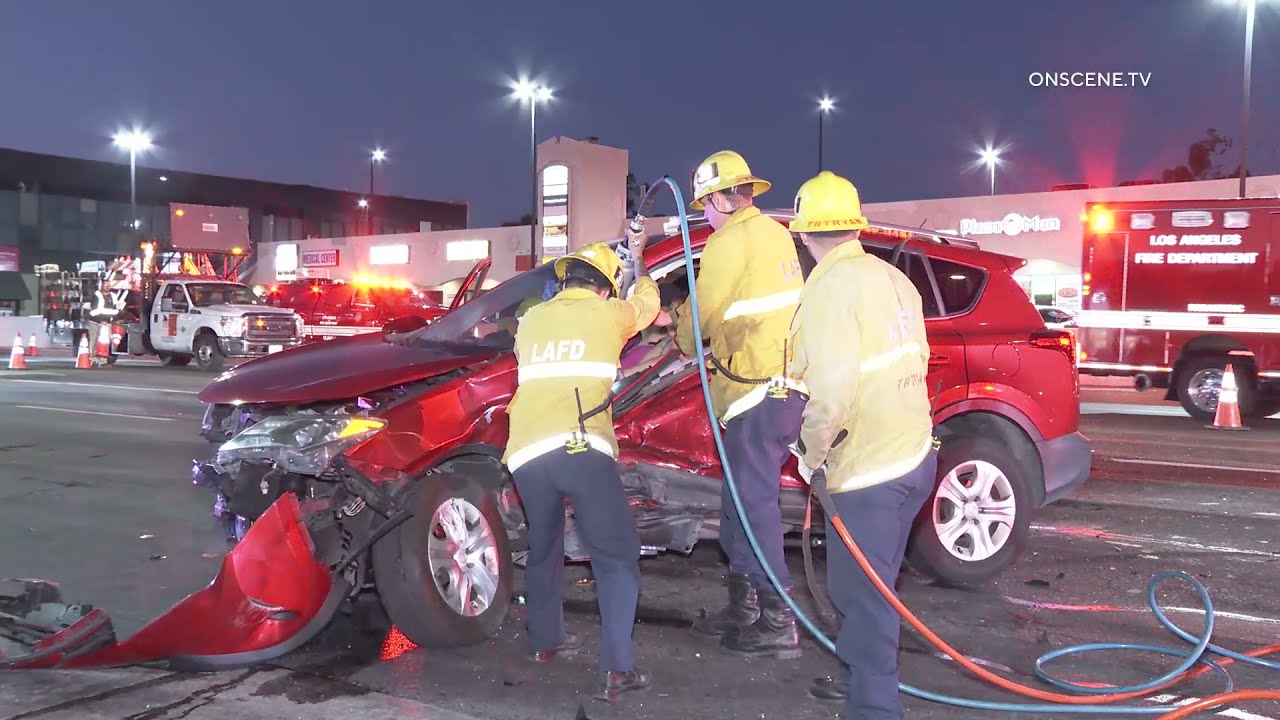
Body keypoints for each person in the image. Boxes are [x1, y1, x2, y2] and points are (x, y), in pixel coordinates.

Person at [787, 171, 937, 720]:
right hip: (915, 455)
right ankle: (856, 678)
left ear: (805, 236)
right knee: (877, 585)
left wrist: (810, 453)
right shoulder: (894, 279)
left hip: (869, 471)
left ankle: (874, 707)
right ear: (854, 227)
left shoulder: (828, 291)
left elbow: (830, 391)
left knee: (863, 598)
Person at [503, 237, 662, 702]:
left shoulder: (532, 319)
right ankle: (618, 669)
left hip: (526, 452)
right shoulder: (609, 314)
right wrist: (640, 259)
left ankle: (545, 641)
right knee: (615, 556)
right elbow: (647, 304)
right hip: (580, 445)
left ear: (566, 279)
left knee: (544, 544)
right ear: (605, 288)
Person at [672, 150, 808, 658]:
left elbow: (698, 324)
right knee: (739, 506)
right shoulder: (774, 233)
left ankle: (778, 622)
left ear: (722, 199)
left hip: (757, 389)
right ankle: (745, 607)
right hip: (775, 386)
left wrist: (680, 324)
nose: (703, 214)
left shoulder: (729, 242)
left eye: (705, 203)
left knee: (753, 508)